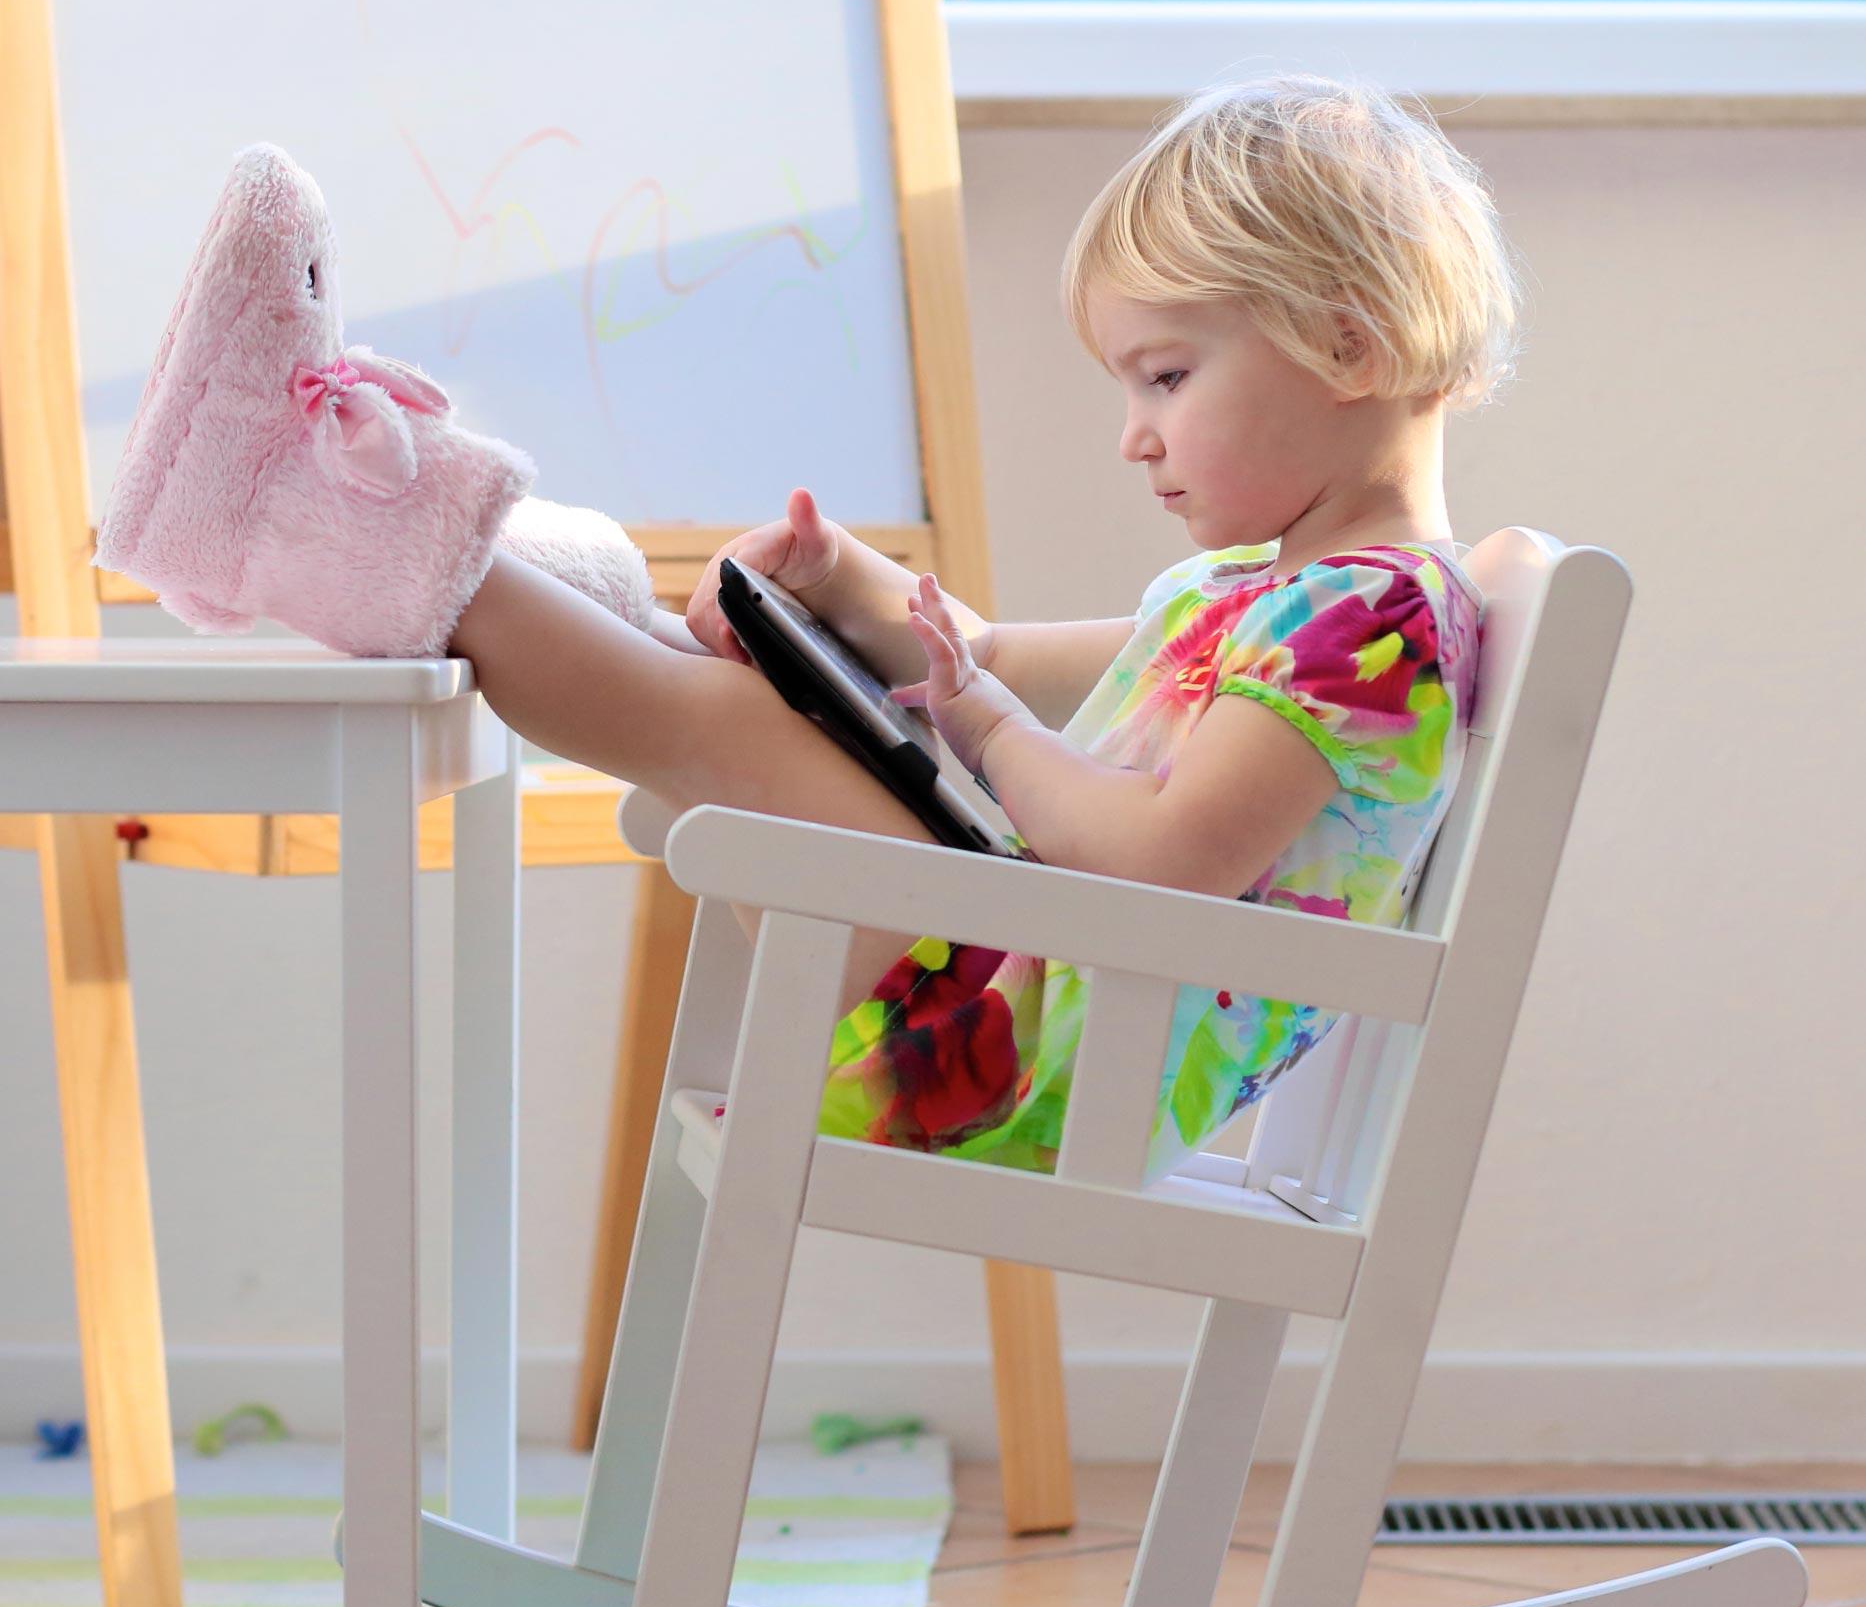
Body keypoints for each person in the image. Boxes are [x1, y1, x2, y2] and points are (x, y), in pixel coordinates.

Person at [95, 73, 1514, 1179]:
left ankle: (301, 506)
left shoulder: (1367, 630)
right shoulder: (1275, 597)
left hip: (1016, 1057)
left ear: (1346, 346)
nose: (1134, 439)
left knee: (706, 719)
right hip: (1017, 999)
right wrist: (846, 590)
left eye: (1162, 376)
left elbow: (1154, 862)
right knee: (696, 663)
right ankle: (427, 535)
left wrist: (984, 725)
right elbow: (997, 659)